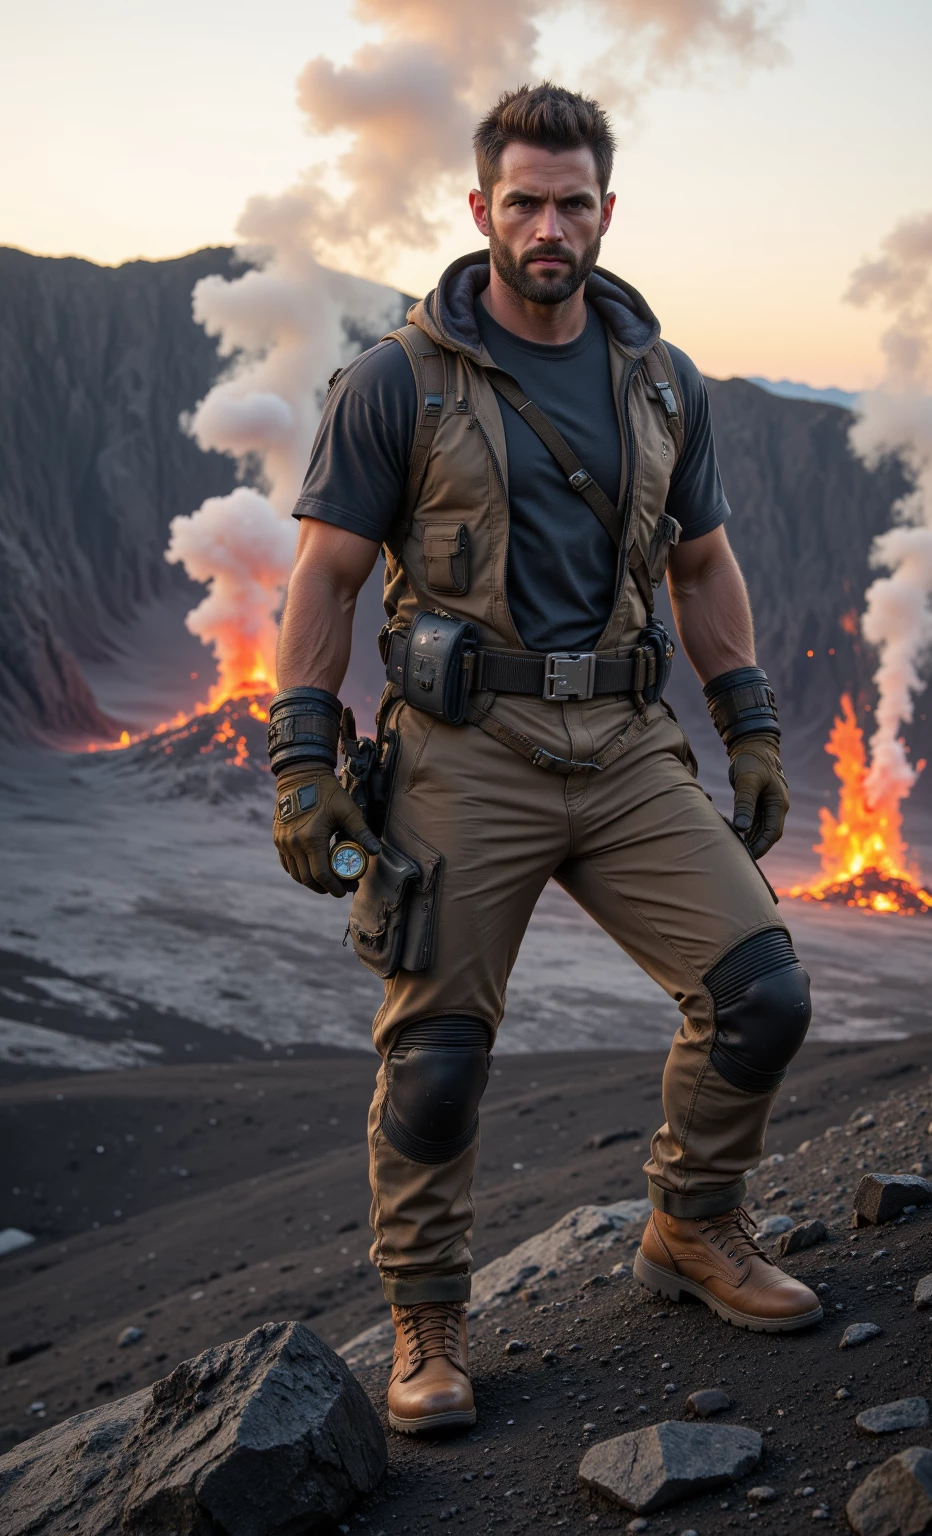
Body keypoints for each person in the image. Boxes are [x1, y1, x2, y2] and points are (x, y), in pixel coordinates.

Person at [268, 82, 820, 1437]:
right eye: (524, 201)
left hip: (626, 746)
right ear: (480, 211)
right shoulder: (398, 383)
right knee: (439, 1059)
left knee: (763, 995)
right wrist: (301, 755)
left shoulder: (662, 382)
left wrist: (746, 725)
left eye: (575, 202)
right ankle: (427, 1317)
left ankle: (691, 1227)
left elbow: (702, 566)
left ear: (607, 213)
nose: (550, 226)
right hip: (468, 749)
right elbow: (327, 573)